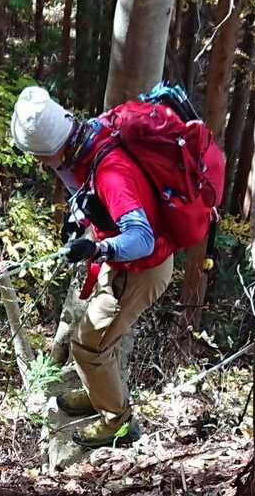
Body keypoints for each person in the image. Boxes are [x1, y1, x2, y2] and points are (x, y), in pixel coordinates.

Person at [10, 83, 174, 449]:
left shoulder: (111, 173)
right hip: (122, 265)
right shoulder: (87, 139)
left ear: (54, 149)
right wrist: (78, 221)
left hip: (140, 268)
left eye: (40, 157)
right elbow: (86, 194)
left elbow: (142, 238)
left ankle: (118, 422)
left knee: (88, 346)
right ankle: (99, 393)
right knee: (99, 337)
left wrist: (98, 247)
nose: (39, 164)